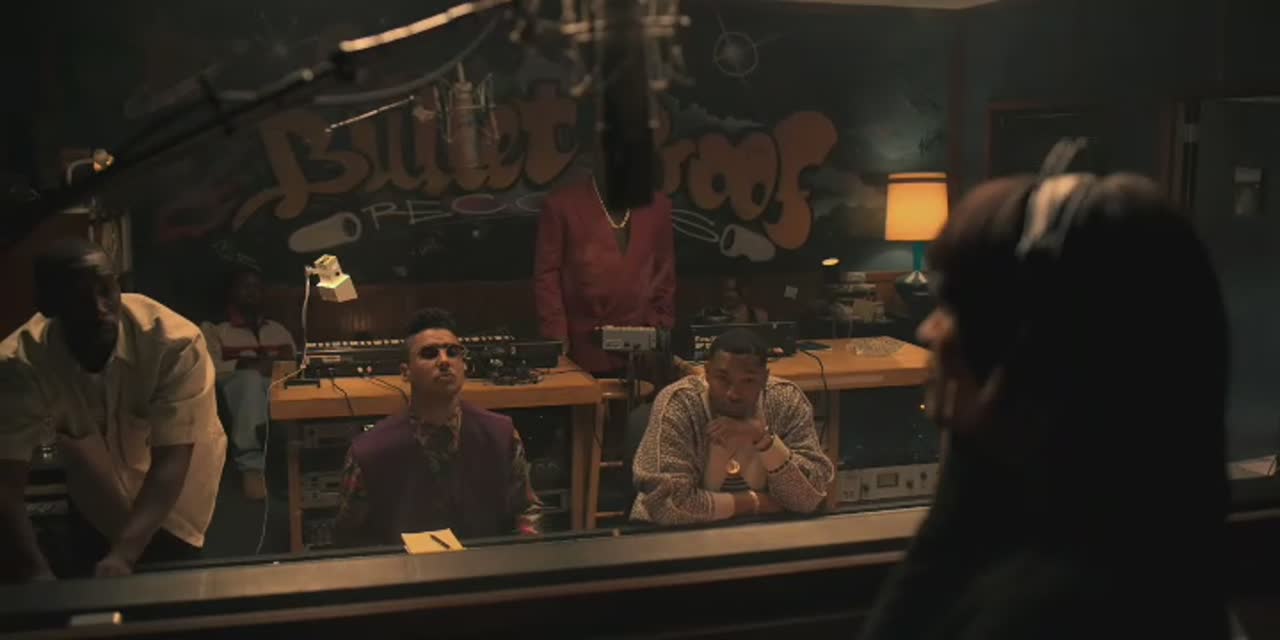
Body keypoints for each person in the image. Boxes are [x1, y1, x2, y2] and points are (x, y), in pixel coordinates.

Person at [858, 173, 1231, 639]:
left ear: (1036, 350)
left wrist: (968, 449)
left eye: (951, 304)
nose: (928, 330)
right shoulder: (1149, 558)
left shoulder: (1047, 614)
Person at [0, 237, 226, 581]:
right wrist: (34, 569)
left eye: (106, 289)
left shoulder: (174, 343)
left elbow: (172, 459)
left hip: (175, 497)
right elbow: (6, 482)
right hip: (96, 494)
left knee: (174, 587)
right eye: (79, 297)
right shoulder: (19, 363)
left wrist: (123, 556)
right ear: (48, 304)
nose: (99, 308)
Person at [333, 308, 541, 546]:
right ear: (405, 372)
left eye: (453, 352)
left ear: (464, 366)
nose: (444, 361)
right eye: (429, 353)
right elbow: (348, 538)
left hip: (485, 566)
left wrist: (520, 553)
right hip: (404, 567)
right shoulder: (369, 453)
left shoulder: (501, 434)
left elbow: (527, 509)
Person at [630, 328, 834, 525]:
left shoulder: (785, 401)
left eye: (748, 380)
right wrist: (755, 502)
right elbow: (666, 506)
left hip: (767, 531)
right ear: (707, 373)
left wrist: (765, 440)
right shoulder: (680, 403)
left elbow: (809, 498)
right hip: (682, 535)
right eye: (722, 379)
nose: (733, 393)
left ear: (765, 378)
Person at [534, 164, 676, 377]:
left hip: (643, 351)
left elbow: (665, 272)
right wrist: (557, 338)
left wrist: (659, 328)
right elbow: (547, 276)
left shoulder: (658, 206)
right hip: (581, 348)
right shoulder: (561, 205)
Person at [200, 266, 295, 500]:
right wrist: (248, 365)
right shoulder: (215, 329)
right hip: (233, 392)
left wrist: (269, 367)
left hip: (274, 390)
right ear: (232, 292)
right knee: (251, 380)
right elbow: (209, 367)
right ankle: (252, 468)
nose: (251, 292)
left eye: (256, 287)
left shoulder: (278, 330)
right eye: (244, 287)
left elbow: (295, 366)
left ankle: (295, 468)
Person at [701, 277, 768, 324]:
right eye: (725, 290)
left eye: (732, 290)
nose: (727, 294)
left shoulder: (759, 316)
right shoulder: (711, 317)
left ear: (743, 292)